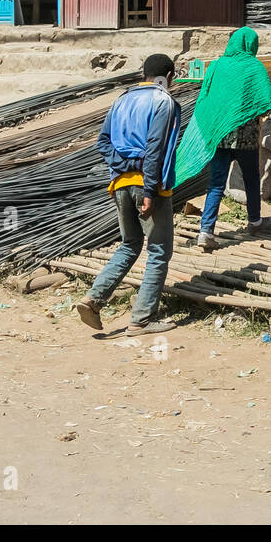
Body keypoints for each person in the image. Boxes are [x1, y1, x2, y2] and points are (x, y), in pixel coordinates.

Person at [74, 54, 183, 337]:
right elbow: (156, 148)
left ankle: (93, 299)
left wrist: (125, 165)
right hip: (147, 186)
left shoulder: (122, 100)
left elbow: (103, 141)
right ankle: (141, 321)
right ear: (169, 76)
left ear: (143, 74)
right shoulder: (163, 102)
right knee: (159, 250)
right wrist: (149, 189)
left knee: (130, 244)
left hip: (119, 185)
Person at [172, 26, 271, 250]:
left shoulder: (217, 66)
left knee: (216, 184)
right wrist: (249, 112)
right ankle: (255, 221)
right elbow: (267, 101)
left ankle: (206, 231)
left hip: (219, 136)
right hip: (246, 137)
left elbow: (206, 97)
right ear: (251, 44)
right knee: (251, 179)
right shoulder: (255, 67)